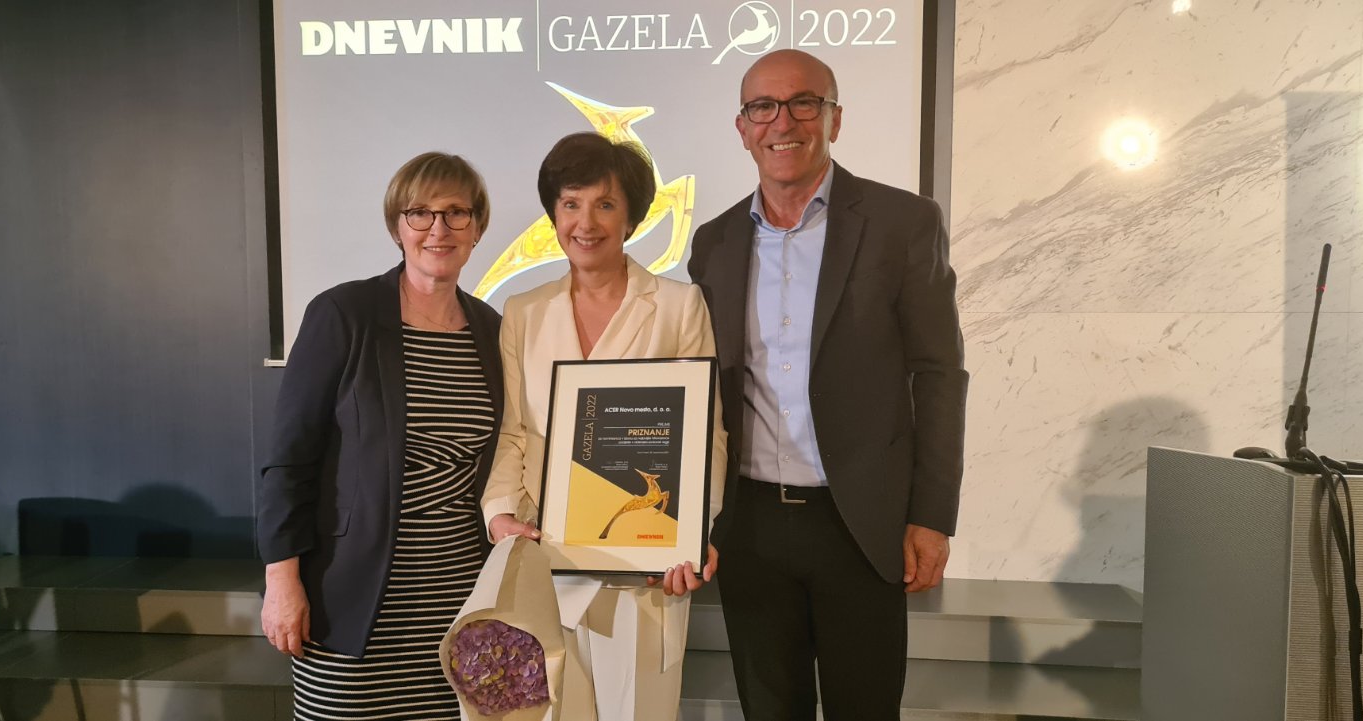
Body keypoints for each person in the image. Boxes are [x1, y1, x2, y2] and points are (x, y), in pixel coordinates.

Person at [687, 49, 968, 720]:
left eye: (804, 103)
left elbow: (938, 374)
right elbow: (701, 386)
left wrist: (932, 514)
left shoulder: (903, 223)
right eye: (763, 107)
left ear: (834, 119)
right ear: (742, 128)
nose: (783, 122)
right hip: (750, 525)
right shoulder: (714, 242)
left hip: (861, 524)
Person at [482, 131, 726, 721]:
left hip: (646, 567)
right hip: (547, 556)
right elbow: (514, 431)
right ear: (554, 214)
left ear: (631, 217)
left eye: (605, 204)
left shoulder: (679, 305)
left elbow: (706, 435)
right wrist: (499, 515)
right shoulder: (522, 311)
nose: (585, 223)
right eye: (571, 204)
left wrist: (691, 533)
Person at [257, 152, 505, 720]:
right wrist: (282, 582)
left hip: (461, 600)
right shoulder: (344, 313)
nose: (438, 229)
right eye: (420, 213)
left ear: (477, 228)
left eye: (456, 213)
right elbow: (289, 460)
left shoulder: (493, 330)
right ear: (397, 226)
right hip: (354, 600)